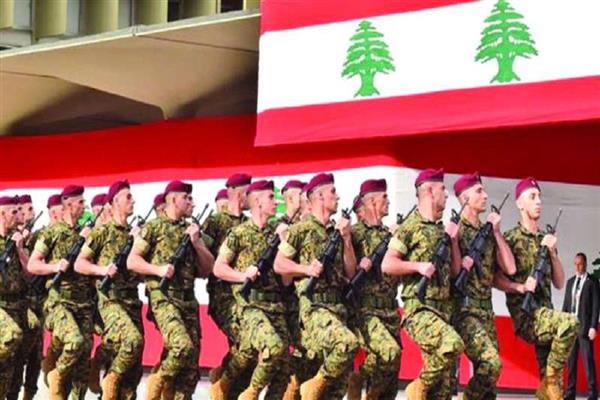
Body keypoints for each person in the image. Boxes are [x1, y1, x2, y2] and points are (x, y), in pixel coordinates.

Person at [275, 172, 359, 400]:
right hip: (314, 308)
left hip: (338, 309)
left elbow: (350, 272)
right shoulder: (300, 230)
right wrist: (305, 269)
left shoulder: (337, 232)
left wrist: (347, 239)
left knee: (336, 389)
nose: (337, 196)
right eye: (332, 192)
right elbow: (279, 264)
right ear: (319, 196)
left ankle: (308, 386)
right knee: (347, 343)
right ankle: (310, 387)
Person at [381, 168, 464, 400]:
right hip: (420, 308)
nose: (446, 195)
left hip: (443, 311)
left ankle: (424, 389)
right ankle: (418, 385)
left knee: (444, 389)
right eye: (442, 189)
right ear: (429, 191)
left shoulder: (442, 230)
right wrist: (417, 266)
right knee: (452, 344)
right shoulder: (410, 227)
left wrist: (454, 242)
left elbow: (455, 272)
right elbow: (387, 264)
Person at [494, 177, 579, 400]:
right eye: (533, 197)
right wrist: (520, 287)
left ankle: (548, 384)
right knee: (570, 322)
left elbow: (560, 282)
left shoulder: (545, 239)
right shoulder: (510, 239)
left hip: (546, 315)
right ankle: (549, 381)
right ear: (519, 203)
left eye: (539, 196)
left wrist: (552, 252)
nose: (539, 201)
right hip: (527, 315)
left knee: (554, 392)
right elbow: (496, 279)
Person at [128, 180, 213, 400]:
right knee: (181, 345)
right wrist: (157, 269)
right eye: (187, 198)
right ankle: (156, 383)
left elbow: (207, 270)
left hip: (188, 300)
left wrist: (197, 244)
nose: (191, 203)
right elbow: (133, 261)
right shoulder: (154, 228)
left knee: (190, 369)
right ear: (174, 200)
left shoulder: (192, 231)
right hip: (163, 297)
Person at [212, 180, 290, 400]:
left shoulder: (277, 233)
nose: (276, 202)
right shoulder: (239, 233)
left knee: (283, 369)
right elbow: (219, 268)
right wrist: (242, 275)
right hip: (250, 306)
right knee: (271, 348)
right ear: (256, 201)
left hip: (275, 305)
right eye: (271, 198)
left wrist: (284, 246)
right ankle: (248, 393)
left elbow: (285, 280)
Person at [75, 180, 144, 400]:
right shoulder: (102, 232)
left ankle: (112, 383)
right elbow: (79, 263)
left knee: (133, 371)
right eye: (128, 197)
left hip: (132, 301)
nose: (132, 201)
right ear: (115, 202)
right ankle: (110, 378)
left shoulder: (136, 234)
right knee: (132, 341)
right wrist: (103, 269)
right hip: (110, 300)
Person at [451, 173, 516, 400]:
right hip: (464, 311)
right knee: (490, 364)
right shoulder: (455, 229)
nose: (485, 195)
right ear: (464, 198)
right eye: (479, 191)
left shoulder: (488, 232)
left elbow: (509, 268)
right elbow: (452, 273)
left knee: (490, 386)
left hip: (486, 310)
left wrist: (497, 232)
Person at [27, 185, 95, 399]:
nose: (84, 206)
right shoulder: (52, 232)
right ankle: (56, 372)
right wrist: (55, 267)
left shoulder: (85, 233)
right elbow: (33, 265)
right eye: (80, 202)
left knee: (83, 366)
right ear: (68, 204)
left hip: (83, 303)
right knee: (74, 341)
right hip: (59, 302)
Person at [347, 179, 402, 400]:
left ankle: (360, 378)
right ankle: (363, 387)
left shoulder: (390, 235)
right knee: (389, 352)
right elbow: (346, 270)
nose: (388, 202)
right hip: (366, 309)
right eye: (384, 198)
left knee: (392, 372)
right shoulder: (354, 233)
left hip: (390, 308)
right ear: (370, 202)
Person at [203, 173, 251, 395]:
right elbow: (202, 257)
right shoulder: (215, 223)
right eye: (249, 193)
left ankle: (229, 388)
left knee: (248, 354)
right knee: (245, 343)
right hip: (224, 297)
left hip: (246, 298)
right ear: (240, 195)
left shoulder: (249, 224)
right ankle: (222, 381)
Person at [0, 195, 30, 399]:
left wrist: (19, 249)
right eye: (14, 212)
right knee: (12, 334)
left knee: (13, 369)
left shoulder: (17, 240)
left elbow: (30, 273)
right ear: (1, 214)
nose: (18, 216)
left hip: (17, 306)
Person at [562, 252, 599, 400]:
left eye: (580, 264)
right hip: (571, 329)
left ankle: (592, 394)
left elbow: (596, 306)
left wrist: (593, 327)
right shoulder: (570, 282)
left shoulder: (592, 282)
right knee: (571, 363)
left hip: (585, 329)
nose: (578, 267)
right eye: (576, 264)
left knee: (588, 361)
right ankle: (570, 393)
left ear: (585, 264)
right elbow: (566, 305)